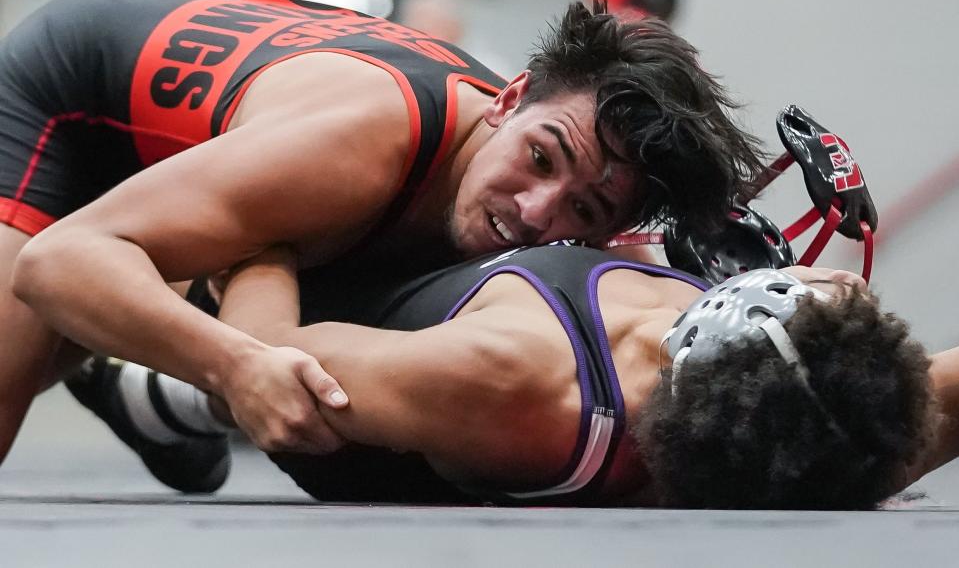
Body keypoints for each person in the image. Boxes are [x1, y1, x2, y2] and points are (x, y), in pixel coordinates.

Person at [0, 0, 768, 463]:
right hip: (73, 102)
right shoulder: (360, 146)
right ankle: (149, 374)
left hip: (243, 158)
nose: (537, 212)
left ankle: (140, 381)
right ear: (510, 98)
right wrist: (232, 367)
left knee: (266, 290)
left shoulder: (495, 192)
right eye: (540, 158)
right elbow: (56, 264)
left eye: (584, 209)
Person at [74, 241, 936, 508]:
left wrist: (265, 237)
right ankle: (148, 401)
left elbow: (261, 368)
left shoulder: (518, 389)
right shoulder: (793, 419)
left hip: (330, 364)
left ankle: (151, 396)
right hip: (399, 286)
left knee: (232, 378)